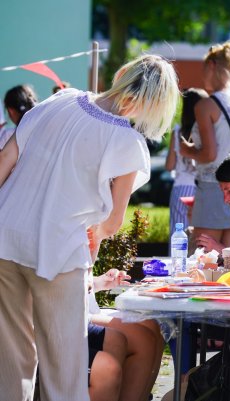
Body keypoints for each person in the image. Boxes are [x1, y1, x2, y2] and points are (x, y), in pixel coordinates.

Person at [0, 54, 179, 401]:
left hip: (6, 234)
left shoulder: (59, 99)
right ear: (155, 104)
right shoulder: (126, 141)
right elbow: (111, 222)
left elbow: (6, 159)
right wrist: (94, 241)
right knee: (64, 369)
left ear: (123, 73)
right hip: (58, 251)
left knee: (12, 361)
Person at [180, 40, 230, 251]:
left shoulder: (206, 105)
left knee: (203, 259)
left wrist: (186, 150)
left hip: (214, 186)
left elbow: (209, 154)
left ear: (211, 66)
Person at [90, 269, 165, 401]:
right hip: (72, 316)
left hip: (87, 308)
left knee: (153, 326)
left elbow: (80, 278)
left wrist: (100, 282)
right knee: (142, 340)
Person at [165, 88, 208, 235]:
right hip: (202, 187)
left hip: (180, 187)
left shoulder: (177, 132)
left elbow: (169, 165)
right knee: (199, 236)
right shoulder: (206, 132)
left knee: (178, 236)